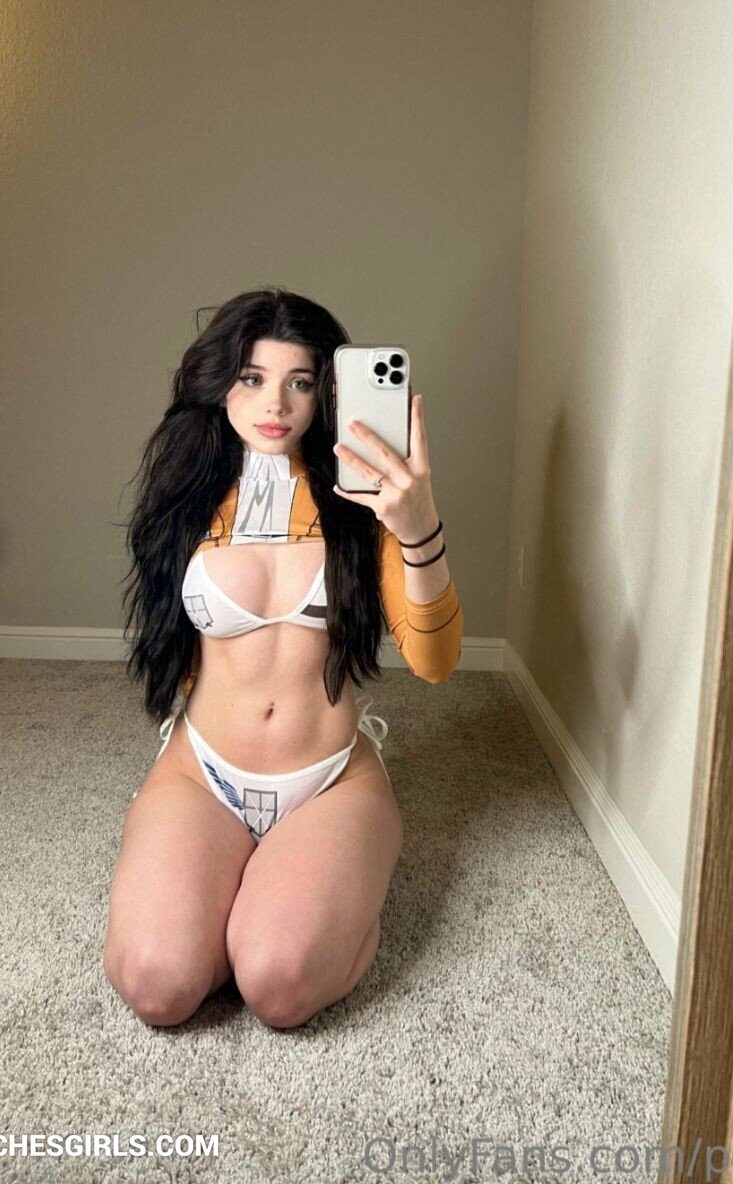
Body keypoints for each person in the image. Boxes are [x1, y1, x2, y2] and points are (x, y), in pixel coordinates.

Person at [103, 287, 463, 1030]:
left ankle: (326, 896)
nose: (276, 403)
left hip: (330, 780)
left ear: (324, 391)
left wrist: (418, 527)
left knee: (278, 986)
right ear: (219, 384)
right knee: (159, 984)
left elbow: (434, 661)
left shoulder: (365, 503)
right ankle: (249, 897)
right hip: (203, 772)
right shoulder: (186, 499)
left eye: (299, 381)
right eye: (252, 377)